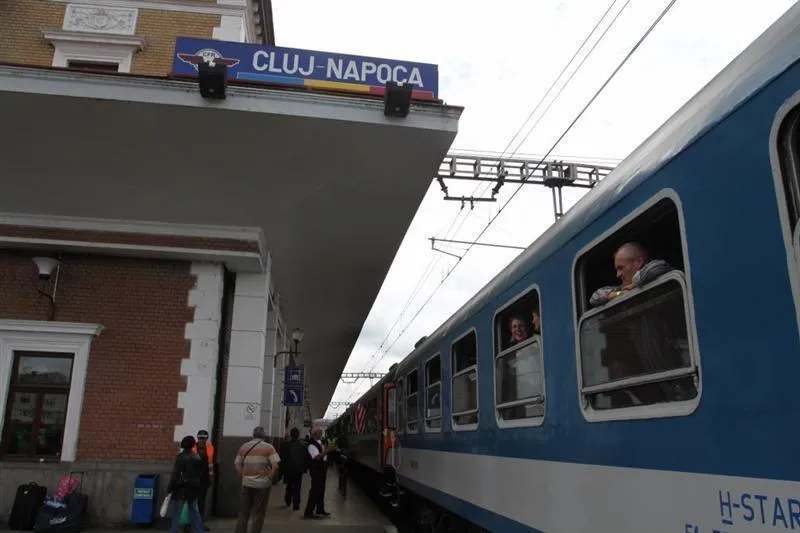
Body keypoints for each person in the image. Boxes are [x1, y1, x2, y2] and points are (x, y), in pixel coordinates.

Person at [590, 242, 674, 307]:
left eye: (621, 268)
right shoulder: (622, 289)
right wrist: (617, 294)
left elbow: (658, 266)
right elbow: (595, 297)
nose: (618, 275)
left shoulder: (657, 273)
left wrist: (636, 283)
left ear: (639, 262)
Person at [233, 427, 280, 533]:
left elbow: (237, 464)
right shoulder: (269, 447)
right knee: (258, 513)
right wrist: (270, 477)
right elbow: (275, 465)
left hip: (247, 484)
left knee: (243, 512)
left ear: (253, 435)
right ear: (263, 436)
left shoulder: (244, 446)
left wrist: (243, 475)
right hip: (262, 485)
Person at [167, 436, 206, 533]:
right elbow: (200, 473)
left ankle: (174, 530)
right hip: (193, 488)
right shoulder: (197, 457)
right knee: (194, 511)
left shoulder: (180, 457)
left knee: (177, 512)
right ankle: (200, 530)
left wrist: (170, 487)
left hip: (181, 488)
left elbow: (175, 474)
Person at [303, 427, 337, 519]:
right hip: (316, 470)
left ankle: (320, 509)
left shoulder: (319, 442)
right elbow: (317, 457)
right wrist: (327, 450)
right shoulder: (311, 445)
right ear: (314, 434)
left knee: (321, 489)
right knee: (315, 490)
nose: (321, 434)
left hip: (322, 468)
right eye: (320, 432)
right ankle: (308, 511)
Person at [192, 429, 214, 531]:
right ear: (197, 438)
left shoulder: (210, 448)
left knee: (201, 503)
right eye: (200, 438)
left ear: (207, 439)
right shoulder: (192, 447)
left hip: (204, 480)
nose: (201, 440)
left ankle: (200, 524)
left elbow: (211, 464)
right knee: (191, 503)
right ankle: (190, 524)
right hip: (192, 480)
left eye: (204, 438)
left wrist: (210, 478)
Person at [280, 427, 307, 510]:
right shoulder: (303, 445)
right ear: (298, 435)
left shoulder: (285, 445)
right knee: (298, 486)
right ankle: (296, 504)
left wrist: (282, 470)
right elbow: (304, 458)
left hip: (288, 469)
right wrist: (304, 469)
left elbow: (282, 458)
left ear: (291, 435)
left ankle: (288, 500)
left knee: (289, 485)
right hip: (298, 469)